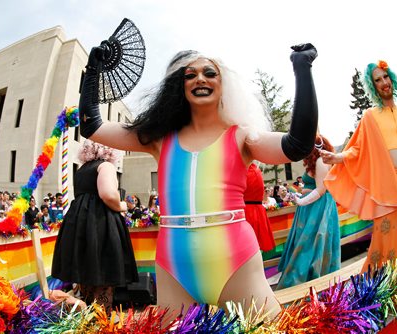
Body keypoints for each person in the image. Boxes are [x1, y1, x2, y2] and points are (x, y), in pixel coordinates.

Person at [79, 41, 318, 315]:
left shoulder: (242, 135)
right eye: (189, 75)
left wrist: (302, 68)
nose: (199, 79)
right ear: (178, 87)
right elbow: (92, 125)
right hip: (174, 267)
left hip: (235, 263)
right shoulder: (158, 138)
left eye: (209, 73)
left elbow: (298, 144)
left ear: (223, 83)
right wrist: (93, 72)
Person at [321, 60, 397, 271]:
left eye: (385, 77)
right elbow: (357, 148)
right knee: (386, 240)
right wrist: (337, 158)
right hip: (387, 185)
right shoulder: (370, 116)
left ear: (391, 79)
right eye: (378, 80)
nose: (384, 82)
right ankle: (378, 288)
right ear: (373, 86)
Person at [52, 139, 138, 311]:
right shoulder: (105, 166)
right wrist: (122, 205)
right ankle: (101, 321)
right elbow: (107, 194)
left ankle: (88, 319)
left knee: (87, 273)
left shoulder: (82, 170)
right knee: (104, 274)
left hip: (79, 223)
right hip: (99, 223)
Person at [277, 135, 340, 289]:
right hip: (310, 208)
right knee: (306, 243)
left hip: (318, 209)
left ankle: (307, 282)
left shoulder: (321, 162)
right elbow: (314, 187)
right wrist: (298, 194)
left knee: (310, 244)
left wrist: (300, 200)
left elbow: (320, 190)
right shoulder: (317, 162)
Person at [244, 163, 276, 251]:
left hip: (249, 212)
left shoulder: (248, 171)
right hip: (255, 209)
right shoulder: (254, 170)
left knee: (250, 246)